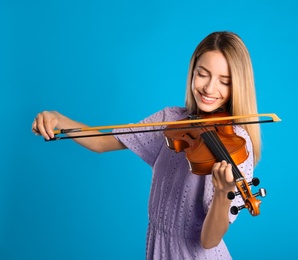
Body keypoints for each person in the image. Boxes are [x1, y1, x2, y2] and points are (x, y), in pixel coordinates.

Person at [32, 31, 261, 260]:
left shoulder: (236, 143)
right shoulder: (171, 120)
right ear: (192, 71)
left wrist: (223, 193)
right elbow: (102, 142)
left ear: (237, 87)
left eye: (224, 81)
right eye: (203, 74)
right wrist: (58, 119)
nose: (209, 89)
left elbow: (209, 241)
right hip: (158, 248)